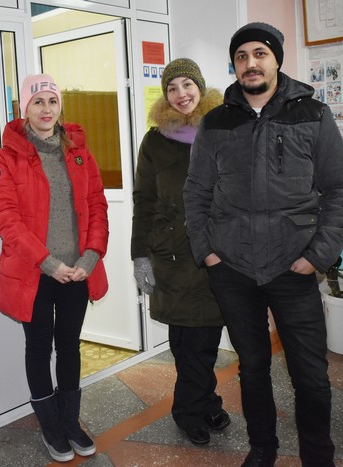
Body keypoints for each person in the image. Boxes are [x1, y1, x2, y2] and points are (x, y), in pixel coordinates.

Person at [183, 23, 343, 466]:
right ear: (234, 66)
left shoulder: (313, 114)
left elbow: (340, 189)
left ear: (277, 59)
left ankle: (318, 455)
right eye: (241, 56)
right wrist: (208, 252)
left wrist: (318, 256)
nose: (251, 63)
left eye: (259, 53)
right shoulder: (216, 122)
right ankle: (263, 448)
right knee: (253, 367)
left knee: (311, 375)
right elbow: (197, 192)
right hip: (233, 268)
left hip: (293, 266)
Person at [0, 74, 109, 463]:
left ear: (60, 107)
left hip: (77, 271)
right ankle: (51, 427)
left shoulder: (78, 151)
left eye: (52, 101)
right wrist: (47, 262)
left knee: (70, 345)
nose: (46, 109)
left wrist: (90, 257)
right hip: (34, 273)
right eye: (37, 102)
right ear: (24, 108)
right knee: (39, 347)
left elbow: (97, 205)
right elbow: (7, 219)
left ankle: (70, 422)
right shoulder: (8, 157)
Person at [131, 58, 229, 446]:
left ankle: (201, 403)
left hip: (217, 252)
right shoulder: (155, 140)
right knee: (186, 341)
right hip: (172, 253)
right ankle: (192, 410)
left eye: (187, 85)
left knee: (207, 337)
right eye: (172, 88)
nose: (181, 94)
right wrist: (140, 255)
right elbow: (143, 200)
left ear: (200, 88)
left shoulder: (220, 130)